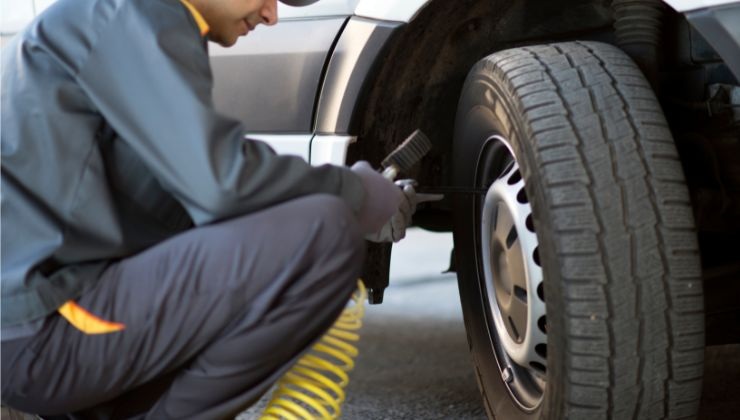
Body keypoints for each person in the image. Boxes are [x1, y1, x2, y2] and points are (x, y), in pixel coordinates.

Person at [1, 0, 433, 418]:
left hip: (36, 326)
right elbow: (221, 183)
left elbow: (191, 201)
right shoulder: (135, 12)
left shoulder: (120, 18)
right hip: (46, 329)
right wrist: (354, 191)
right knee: (324, 232)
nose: (271, 14)